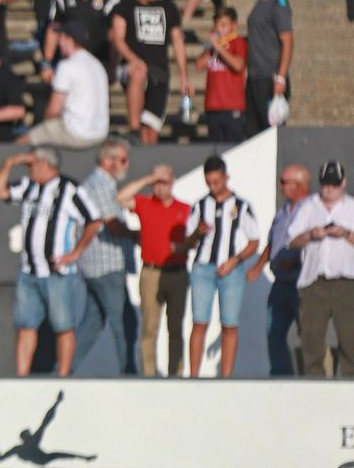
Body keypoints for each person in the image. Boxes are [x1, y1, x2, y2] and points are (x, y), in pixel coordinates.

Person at [0, 148, 104, 376]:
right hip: (29, 271)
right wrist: (12, 159)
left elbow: (94, 220)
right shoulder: (29, 187)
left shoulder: (69, 190)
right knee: (25, 326)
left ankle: (63, 375)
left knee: (63, 327)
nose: (28, 169)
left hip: (58, 273)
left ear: (44, 164)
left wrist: (75, 252)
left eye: (31, 164)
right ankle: (22, 376)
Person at [185, 155, 259, 378]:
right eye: (209, 182)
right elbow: (188, 242)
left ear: (226, 177)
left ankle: (227, 377)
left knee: (229, 323)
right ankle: (194, 375)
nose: (213, 187)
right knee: (199, 322)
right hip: (203, 268)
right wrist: (197, 233)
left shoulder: (241, 205)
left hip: (231, 269)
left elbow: (254, 241)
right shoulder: (199, 205)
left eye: (217, 181)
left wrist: (235, 261)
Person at [118, 164, 192, 376]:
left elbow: (196, 238)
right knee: (150, 327)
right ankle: (149, 376)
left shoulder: (184, 208)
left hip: (177, 271)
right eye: (157, 183)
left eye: (164, 182)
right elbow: (120, 198)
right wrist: (147, 179)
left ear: (173, 181)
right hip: (151, 272)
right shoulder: (144, 203)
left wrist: (184, 246)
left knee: (175, 327)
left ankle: (175, 374)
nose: (160, 188)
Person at [286, 160, 354, 378]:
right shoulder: (309, 206)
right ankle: (313, 382)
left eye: (334, 185)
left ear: (343, 183)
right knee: (311, 336)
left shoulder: (352, 207)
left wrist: (344, 233)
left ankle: (350, 381)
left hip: (347, 280)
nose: (329, 189)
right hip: (315, 280)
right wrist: (310, 235)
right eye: (325, 184)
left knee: (350, 336)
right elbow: (291, 241)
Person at [110, 0, 190, 145]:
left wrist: (184, 77)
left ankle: (146, 157)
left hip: (160, 72)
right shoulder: (124, 7)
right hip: (131, 68)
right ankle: (134, 128)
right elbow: (118, 38)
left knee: (152, 133)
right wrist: (133, 59)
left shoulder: (168, 7)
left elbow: (177, 41)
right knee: (139, 72)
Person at [76, 139, 135, 374]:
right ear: (107, 161)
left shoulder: (103, 184)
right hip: (105, 265)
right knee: (125, 325)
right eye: (122, 160)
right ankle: (130, 376)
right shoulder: (100, 185)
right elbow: (111, 224)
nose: (127, 165)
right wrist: (141, 236)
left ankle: (64, 372)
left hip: (98, 266)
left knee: (92, 325)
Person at [247, 164, 310, 377]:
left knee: (309, 334)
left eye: (284, 182)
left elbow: (316, 244)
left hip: (302, 284)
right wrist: (258, 267)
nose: (280, 186)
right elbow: (272, 242)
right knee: (274, 333)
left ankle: (313, 379)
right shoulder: (283, 212)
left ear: (299, 185)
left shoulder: (312, 210)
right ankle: (281, 377)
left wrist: (295, 262)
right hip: (280, 284)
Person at [21, 21, 109, 150]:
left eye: (61, 38)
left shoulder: (67, 66)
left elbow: (53, 111)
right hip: (100, 133)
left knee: (20, 144)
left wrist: (43, 126)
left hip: (78, 133)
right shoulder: (97, 64)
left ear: (69, 40)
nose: (59, 43)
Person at [243, 0, 292, 138]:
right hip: (255, 77)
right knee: (253, 134)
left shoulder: (278, 3)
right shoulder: (260, 3)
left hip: (269, 77)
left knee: (271, 135)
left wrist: (280, 77)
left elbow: (287, 40)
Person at [198, 6, 246, 143]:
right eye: (217, 25)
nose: (219, 29)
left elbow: (238, 65)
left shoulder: (238, 42)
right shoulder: (212, 47)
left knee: (233, 147)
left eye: (224, 25)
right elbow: (199, 65)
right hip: (213, 106)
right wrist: (213, 47)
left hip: (232, 106)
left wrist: (219, 48)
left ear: (233, 26)